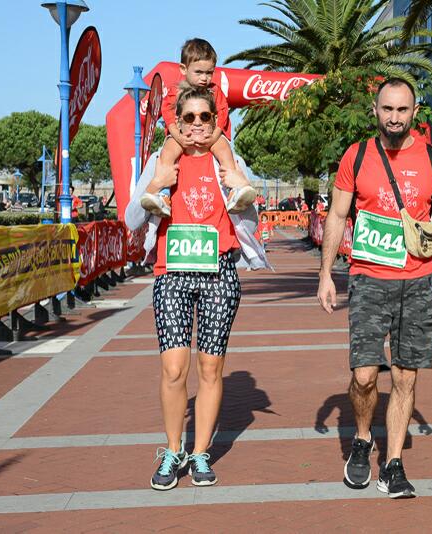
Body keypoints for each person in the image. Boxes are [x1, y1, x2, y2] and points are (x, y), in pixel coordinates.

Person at [317, 78, 432, 499]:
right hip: (368, 280)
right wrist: (326, 272)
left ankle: (395, 465)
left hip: (417, 282)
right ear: (375, 110)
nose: (395, 117)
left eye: (403, 110)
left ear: (415, 111)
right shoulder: (357, 155)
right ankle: (363, 439)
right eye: (388, 109)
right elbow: (336, 215)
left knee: (405, 376)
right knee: (365, 376)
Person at [125, 84, 270, 491]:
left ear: (216, 122)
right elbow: (133, 219)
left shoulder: (229, 160)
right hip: (171, 272)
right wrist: (156, 185)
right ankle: (173, 451)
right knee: (174, 368)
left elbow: (252, 216)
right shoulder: (161, 159)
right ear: (176, 123)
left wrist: (238, 188)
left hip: (219, 270)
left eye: (204, 118)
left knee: (210, 367)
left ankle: (201, 452)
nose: (196, 127)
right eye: (188, 119)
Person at [140, 38, 255, 218]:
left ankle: (235, 188)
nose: (204, 78)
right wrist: (177, 136)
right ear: (183, 69)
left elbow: (223, 114)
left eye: (209, 73)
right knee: (168, 151)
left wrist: (214, 135)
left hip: (213, 135)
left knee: (224, 149)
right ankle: (163, 193)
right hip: (179, 135)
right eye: (199, 72)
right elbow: (168, 113)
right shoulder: (175, 90)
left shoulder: (215, 91)